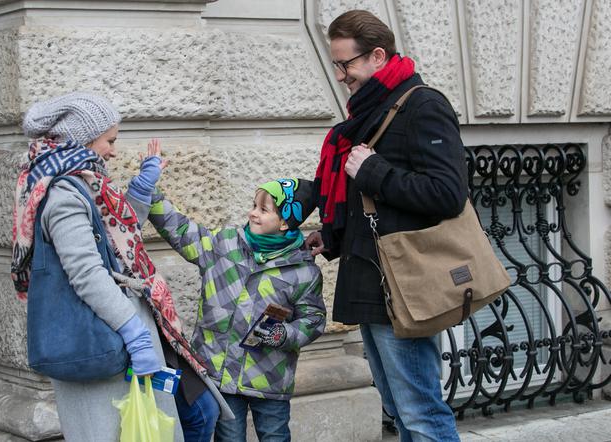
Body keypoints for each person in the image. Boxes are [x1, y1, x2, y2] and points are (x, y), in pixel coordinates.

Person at [11, 92, 231, 441]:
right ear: (82, 139)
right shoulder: (64, 193)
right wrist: (133, 332)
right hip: (105, 333)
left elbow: (115, 239)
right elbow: (86, 272)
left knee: (200, 412)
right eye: (109, 140)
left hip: (127, 326)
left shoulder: (81, 181)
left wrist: (143, 186)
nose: (113, 150)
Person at [305, 10, 467, 442]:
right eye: (336, 65)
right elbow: (361, 200)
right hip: (371, 276)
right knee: (398, 408)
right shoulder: (367, 113)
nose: (340, 75)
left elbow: (447, 194)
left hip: (406, 285)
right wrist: (332, 233)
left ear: (377, 56)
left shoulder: (423, 105)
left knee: (420, 412)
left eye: (346, 64)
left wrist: (375, 171)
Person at [134, 158, 326, 442]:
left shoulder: (303, 271)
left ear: (285, 222)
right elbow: (183, 232)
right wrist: (149, 191)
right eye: (253, 205)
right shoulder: (225, 245)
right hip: (220, 374)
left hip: (268, 380)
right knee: (228, 438)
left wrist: (283, 333)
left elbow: (314, 319)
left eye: (264, 209)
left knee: (274, 436)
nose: (253, 213)